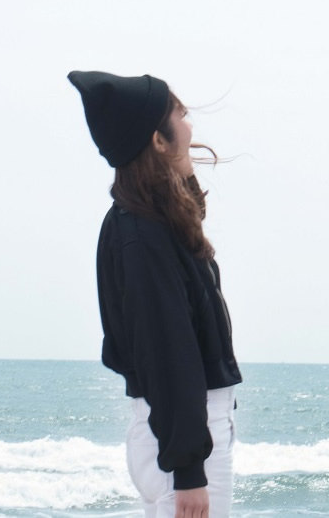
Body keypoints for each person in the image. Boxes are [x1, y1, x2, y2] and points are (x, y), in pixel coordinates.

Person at [68, 70, 241, 518]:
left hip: (178, 437)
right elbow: (166, 350)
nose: (189, 126)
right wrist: (188, 472)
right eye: (180, 115)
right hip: (180, 446)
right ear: (158, 142)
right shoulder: (142, 235)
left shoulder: (146, 224)